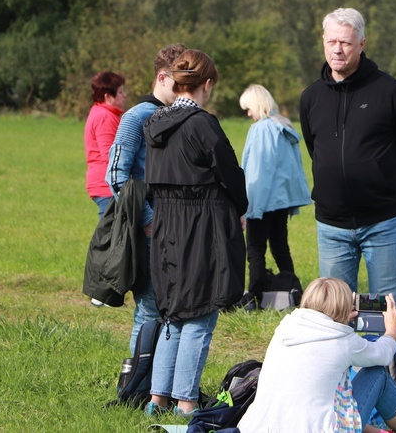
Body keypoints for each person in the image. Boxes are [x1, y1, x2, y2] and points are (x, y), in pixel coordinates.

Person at [299, 7, 396, 353]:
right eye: (331, 42)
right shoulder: (311, 97)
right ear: (323, 43)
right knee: (333, 310)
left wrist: (379, 174)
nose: (338, 49)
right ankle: (344, 386)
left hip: (382, 221)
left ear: (362, 44)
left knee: (387, 308)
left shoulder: (390, 91)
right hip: (332, 225)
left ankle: (395, 387)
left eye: (346, 43)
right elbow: (315, 148)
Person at [142, 49, 247, 418]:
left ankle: (157, 399)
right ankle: (186, 403)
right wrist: (239, 206)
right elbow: (230, 171)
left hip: (166, 223)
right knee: (200, 312)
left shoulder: (153, 122)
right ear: (207, 84)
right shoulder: (202, 123)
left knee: (173, 312)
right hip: (200, 224)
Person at [238, 277, 396, 433]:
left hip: (258, 427)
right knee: (378, 375)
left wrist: (341, 314)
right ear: (344, 308)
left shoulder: (285, 329)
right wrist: (392, 330)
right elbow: (384, 354)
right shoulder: (341, 340)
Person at [105, 44, 186, 347]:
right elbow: (115, 175)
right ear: (163, 77)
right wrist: (148, 220)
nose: (185, 89)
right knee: (151, 309)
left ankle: (163, 389)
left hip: (180, 230)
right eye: (180, 81)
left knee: (176, 310)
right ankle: (137, 387)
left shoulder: (184, 116)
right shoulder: (136, 117)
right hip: (151, 233)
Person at [233, 84, 312, 311]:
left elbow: (258, 171)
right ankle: (292, 290)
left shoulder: (261, 130)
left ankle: (254, 296)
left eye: (248, 108)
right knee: (280, 246)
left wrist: (250, 206)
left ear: (257, 104)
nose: (248, 114)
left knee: (255, 250)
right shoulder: (282, 126)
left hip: (262, 198)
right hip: (281, 201)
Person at [84, 71, 126, 219]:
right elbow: (110, 154)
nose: (124, 95)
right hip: (106, 187)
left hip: (104, 184)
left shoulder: (101, 112)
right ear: (108, 96)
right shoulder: (105, 116)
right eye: (120, 92)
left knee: (114, 236)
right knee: (110, 237)